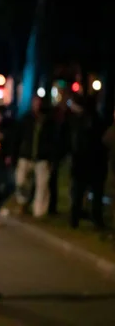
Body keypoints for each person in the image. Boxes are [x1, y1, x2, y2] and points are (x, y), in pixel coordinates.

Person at [13, 96, 56, 217]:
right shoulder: (26, 119)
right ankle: (23, 204)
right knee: (21, 181)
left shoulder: (48, 121)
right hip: (26, 155)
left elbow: (53, 140)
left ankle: (39, 211)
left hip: (42, 157)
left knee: (42, 185)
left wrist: (51, 157)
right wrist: (14, 154)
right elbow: (18, 137)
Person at [69, 96, 108, 229]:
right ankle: (95, 218)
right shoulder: (97, 120)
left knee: (79, 193)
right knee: (94, 193)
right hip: (93, 163)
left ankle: (75, 218)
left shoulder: (80, 121)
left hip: (82, 162)